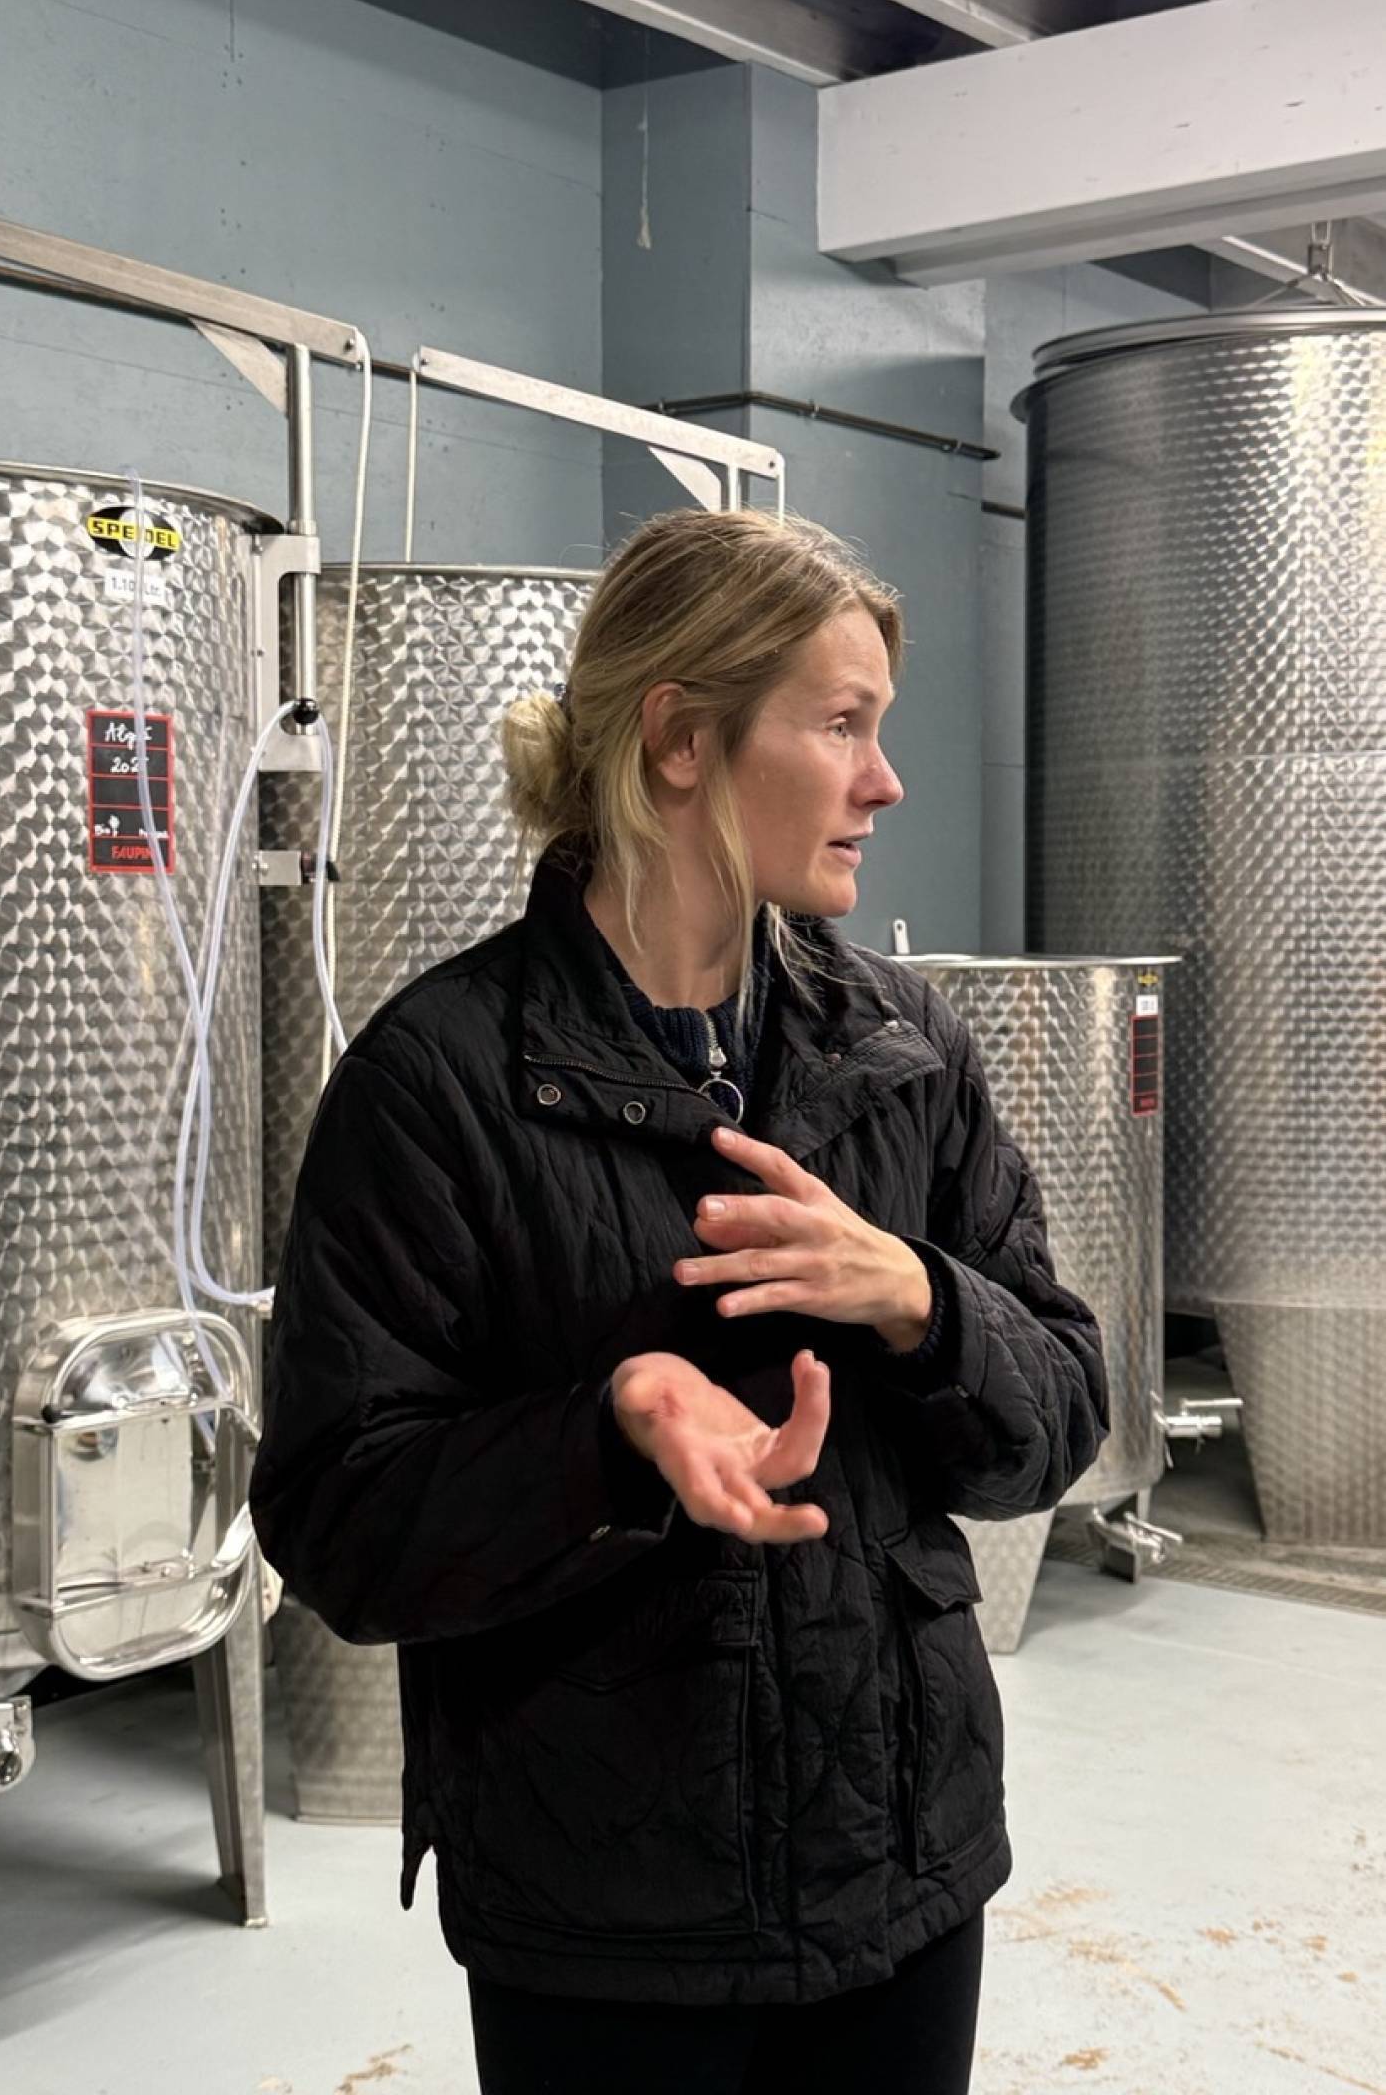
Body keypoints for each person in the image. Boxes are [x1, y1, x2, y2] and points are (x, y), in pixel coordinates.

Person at [252, 507, 1108, 2095]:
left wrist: (921, 1298)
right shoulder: (439, 1085)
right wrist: (608, 1432)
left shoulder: (906, 1050)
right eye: (840, 724)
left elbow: (1059, 1420)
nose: (885, 781)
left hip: (901, 1872)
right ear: (679, 740)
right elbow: (336, 1518)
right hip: (604, 1915)